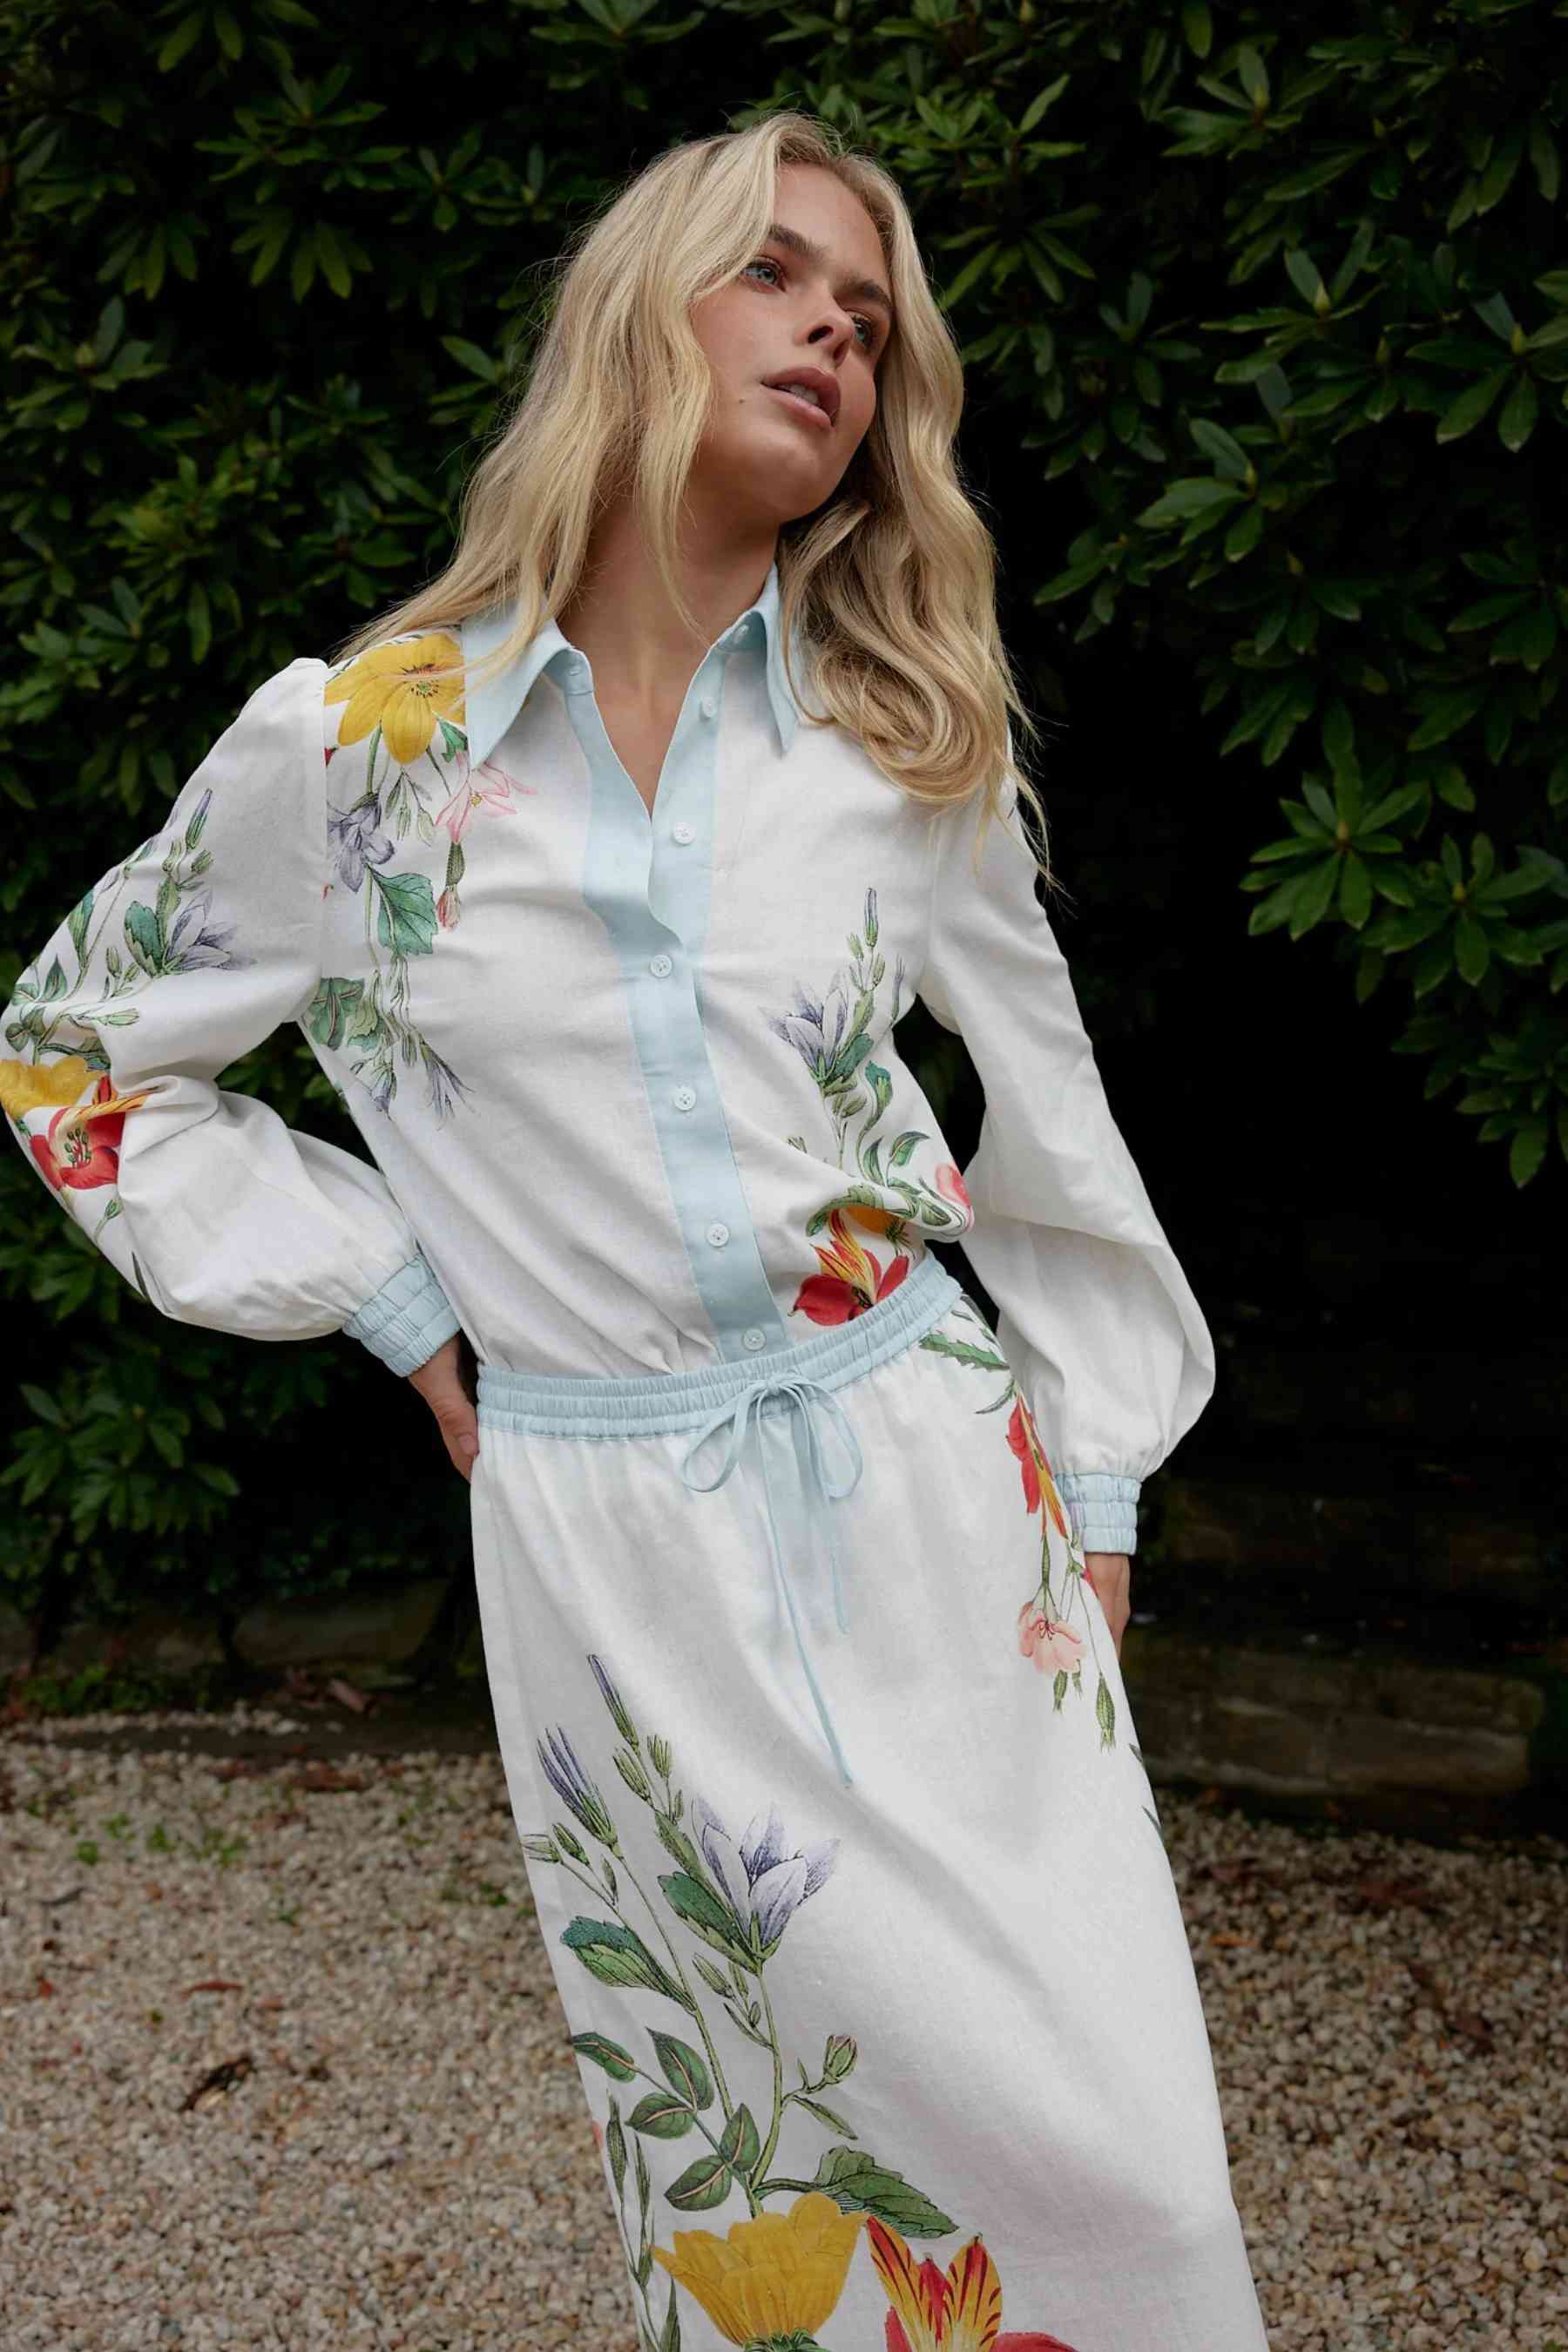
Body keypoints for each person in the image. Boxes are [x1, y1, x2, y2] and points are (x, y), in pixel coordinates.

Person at [0, 107, 1270, 2352]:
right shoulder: (359, 751)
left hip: (934, 1503)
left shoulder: (900, 740)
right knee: (775, 2229)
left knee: (1134, 2177)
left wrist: (1089, 1500)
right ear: (633, 312)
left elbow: (1055, 1138)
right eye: (777, 273)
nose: (835, 337)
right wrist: (391, 1293)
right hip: (605, 1564)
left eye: (869, 319)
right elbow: (76, 1053)